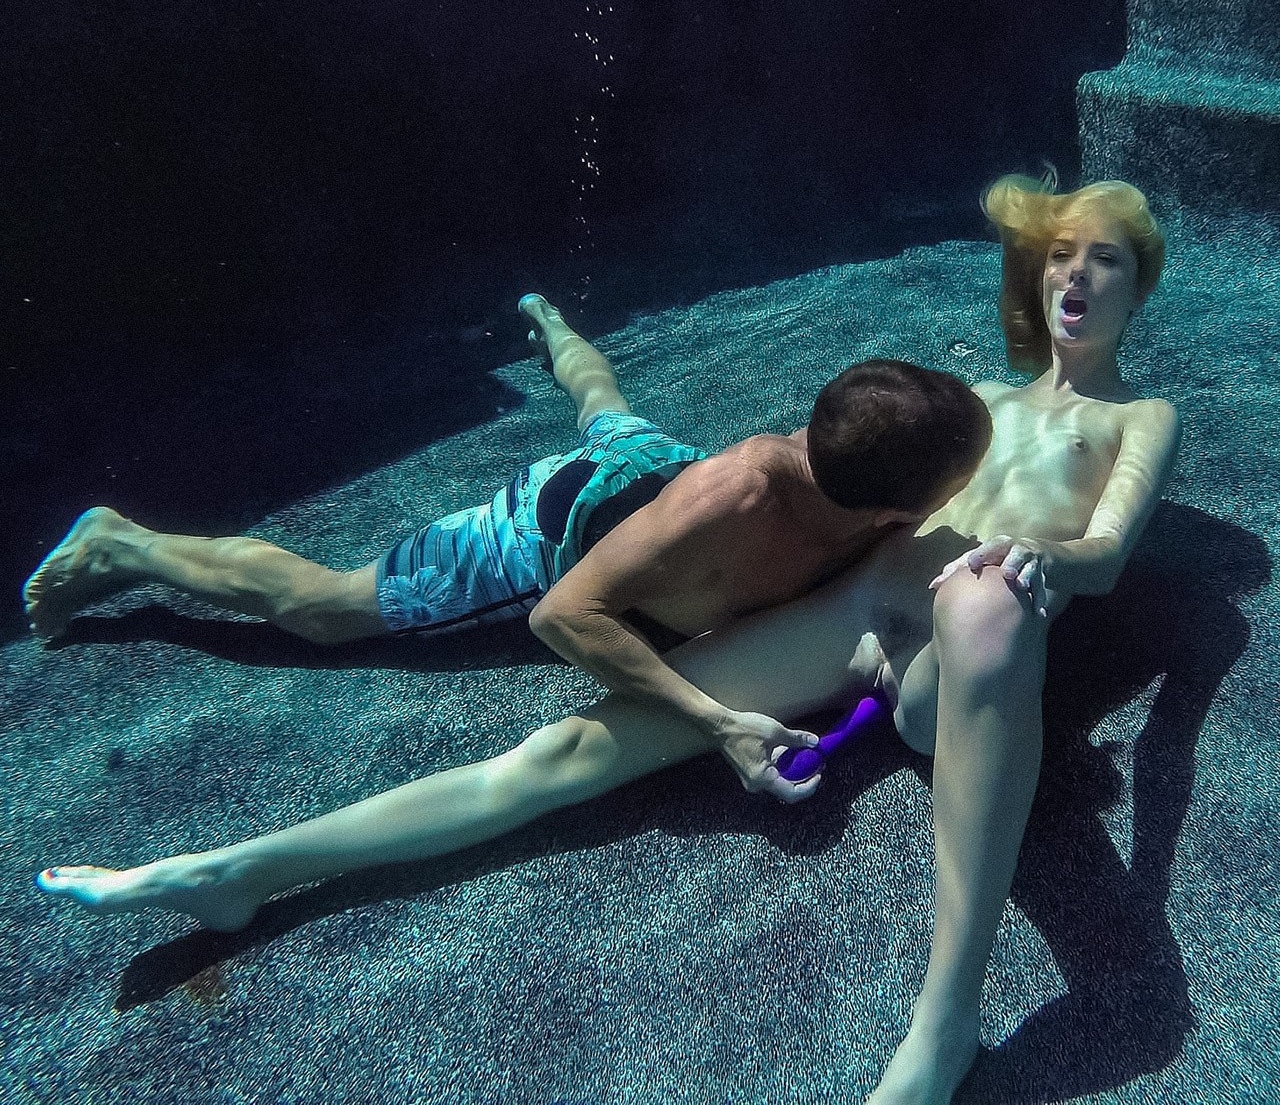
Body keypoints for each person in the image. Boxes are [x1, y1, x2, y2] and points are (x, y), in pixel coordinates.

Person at [36, 175, 1181, 1105]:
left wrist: (1045, 559)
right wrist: (721, 690)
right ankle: (244, 868)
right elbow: (826, 499)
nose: (1076, 275)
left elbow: (1107, 549)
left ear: (1140, 285)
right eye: (1061, 253)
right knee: (554, 751)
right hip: (813, 605)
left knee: (981, 598)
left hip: (964, 643)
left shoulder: (1141, 417)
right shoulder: (966, 394)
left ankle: (943, 1025)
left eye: (1106, 260)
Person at [22, 296, 990, 799]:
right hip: (549, 527)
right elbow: (564, 614)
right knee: (326, 608)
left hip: (651, 468)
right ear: (888, 512)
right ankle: (126, 545)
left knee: (604, 404)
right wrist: (713, 719)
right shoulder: (734, 500)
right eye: (952, 487)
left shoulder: (855, 474)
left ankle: (551, 324)